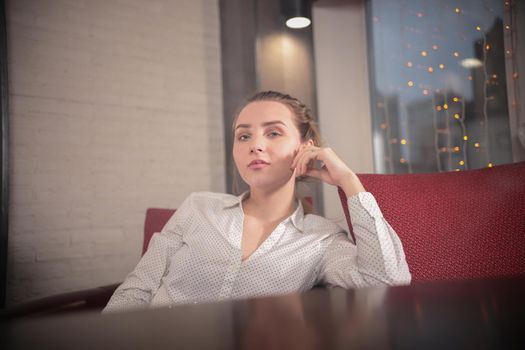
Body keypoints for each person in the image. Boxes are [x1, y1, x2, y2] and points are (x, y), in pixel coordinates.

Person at [103, 91, 411, 313]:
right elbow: (137, 290)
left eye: (273, 133)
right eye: (244, 136)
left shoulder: (322, 238)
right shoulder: (198, 208)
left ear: (305, 148)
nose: (256, 146)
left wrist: (349, 181)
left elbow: (387, 281)